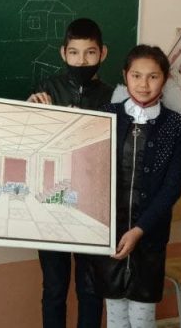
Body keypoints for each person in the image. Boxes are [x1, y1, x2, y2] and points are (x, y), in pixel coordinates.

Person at [90, 45, 181, 328]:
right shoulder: (107, 115)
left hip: (149, 235)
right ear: (125, 76)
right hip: (110, 235)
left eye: (153, 76)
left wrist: (139, 230)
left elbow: (172, 187)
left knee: (142, 317)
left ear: (165, 79)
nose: (144, 84)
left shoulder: (176, 125)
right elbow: (91, 171)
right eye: (136, 76)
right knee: (116, 316)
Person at [28, 18, 112, 328]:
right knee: (54, 288)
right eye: (74, 53)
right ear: (63, 53)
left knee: (90, 289)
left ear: (102, 53)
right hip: (51, 207)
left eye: (90, 53)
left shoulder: (114, 96)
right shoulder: (46, 89)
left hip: (93, 208)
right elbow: (28, 145)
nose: (82, 61)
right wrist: (30, 111)